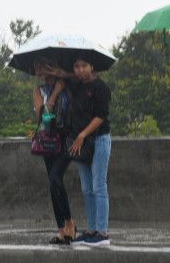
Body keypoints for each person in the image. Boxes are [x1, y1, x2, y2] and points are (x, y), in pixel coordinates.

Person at [49, 57, 113, 247]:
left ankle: (102, 232)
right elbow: (68, 79)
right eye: (76, 66)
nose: (80, 70)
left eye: (84, 66)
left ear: (92, 66)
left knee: (98, 185)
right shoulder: (77, 86)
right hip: (79, 143)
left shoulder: (100, 87)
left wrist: (83, 134)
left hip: (98, 139)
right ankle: (91, 229)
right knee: (86, 188)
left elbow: (101, 116)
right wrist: (62, 74)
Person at [31, 59, 75, 244]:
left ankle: (70, 223)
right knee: (52, 183)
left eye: (42, 67)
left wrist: (62, 77)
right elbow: (43, 116)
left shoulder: (68, 85)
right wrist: (55, 93)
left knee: (56, 177)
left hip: (66, 139)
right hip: (48, 140)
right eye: (37, 69)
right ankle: (61, 229)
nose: (39, 71)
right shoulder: (38, 90)